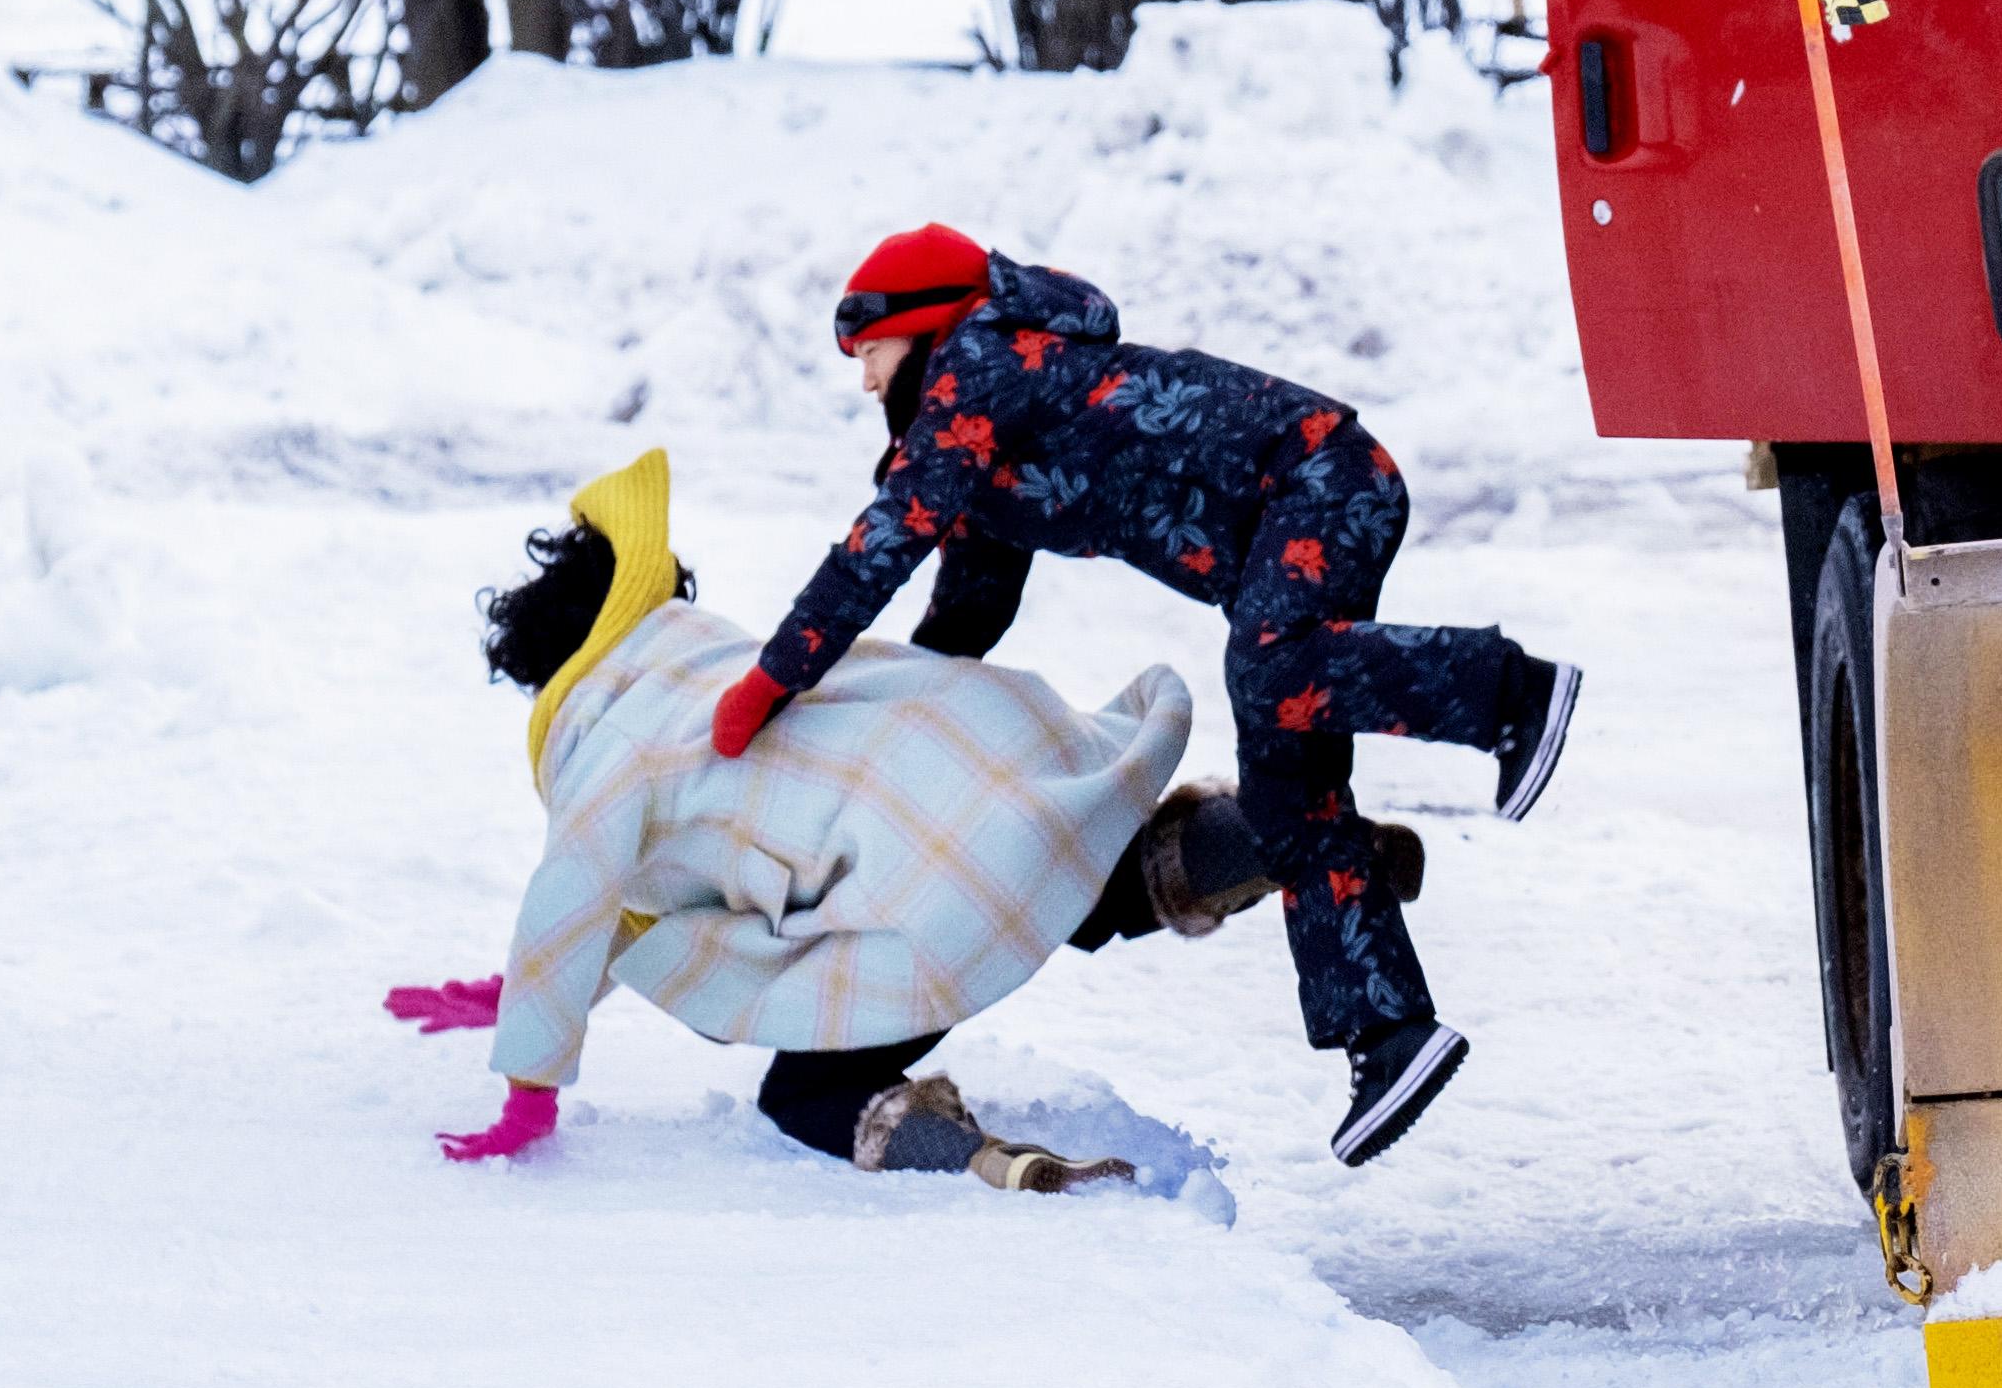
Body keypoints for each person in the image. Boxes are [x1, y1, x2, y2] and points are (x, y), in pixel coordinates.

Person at [722, 225, 1580, 1169]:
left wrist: (769, 683)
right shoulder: (981, 440)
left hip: (1322, 477)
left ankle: (1509, 692)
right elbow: (971, 605)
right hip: (1278, 538)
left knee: (1271, 670)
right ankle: (1391, 1036)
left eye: (871, 352)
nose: (865, 382)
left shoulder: (980, 366)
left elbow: (880, 545)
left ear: (925, 328)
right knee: (1290, 791)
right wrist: (897, 713)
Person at [401, 449, 1408, 1186]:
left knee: (804, 1092)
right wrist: (518, 989)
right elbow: (608, 918)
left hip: (916, 881)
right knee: (1080, 870)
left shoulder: (602, 742)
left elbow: (576, 896)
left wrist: (528, 1087)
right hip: (994, 758)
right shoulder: (706, 655)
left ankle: (986, 1164)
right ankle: (1287, 840)